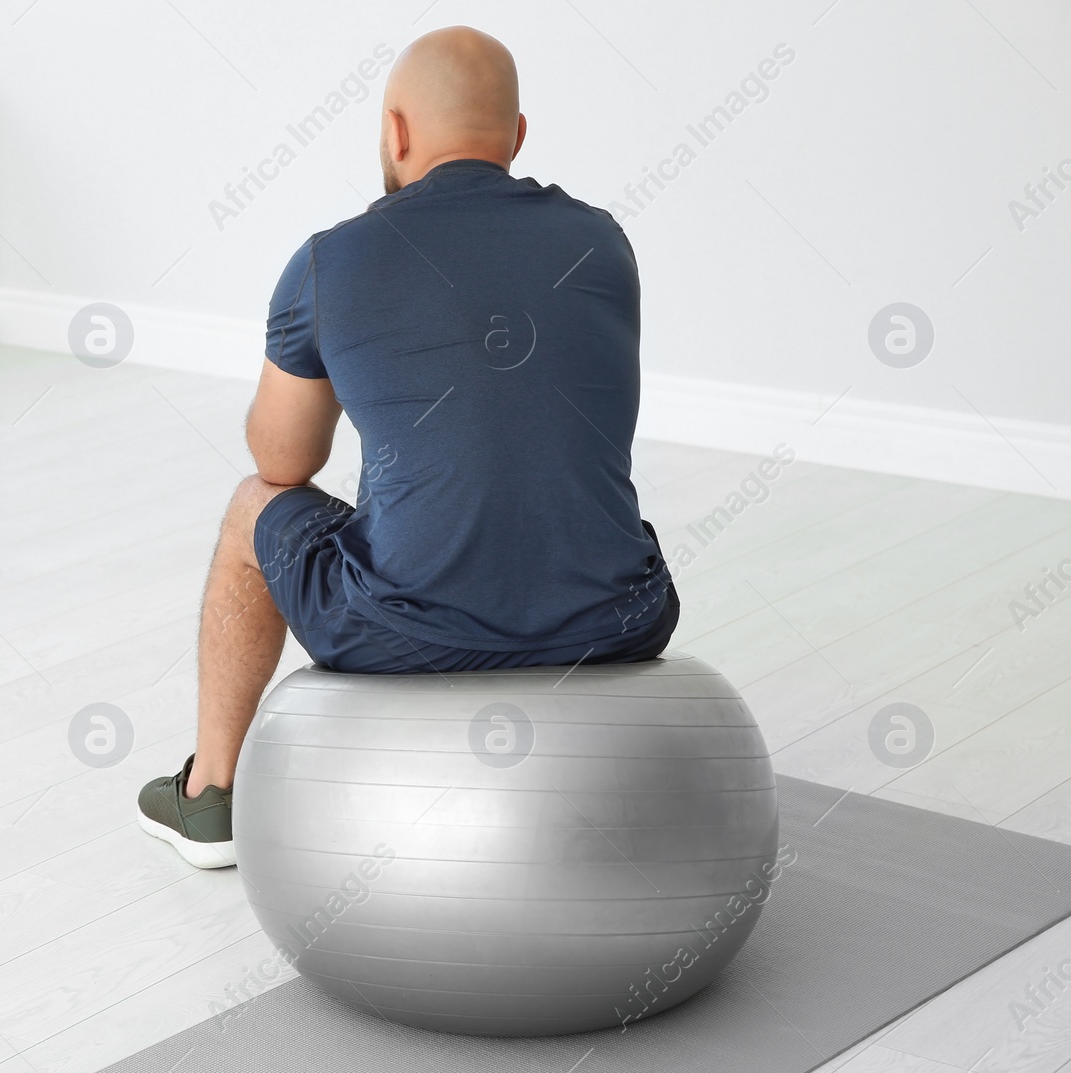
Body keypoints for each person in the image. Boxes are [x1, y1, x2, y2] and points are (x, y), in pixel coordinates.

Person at [137, 25, 678, 869]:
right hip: (620, 620)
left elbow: (284, 463)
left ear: (394, 131)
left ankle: (211, 797)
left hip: (409, 635)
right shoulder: (605, 242)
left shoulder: (329, 261)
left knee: (253, 507)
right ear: (516, 138)